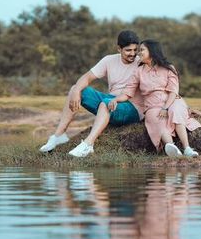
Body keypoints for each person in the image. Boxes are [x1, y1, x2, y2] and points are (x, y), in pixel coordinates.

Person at [39, 30, 145, 158]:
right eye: (128, 50)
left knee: (105, 104)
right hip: (112, 100)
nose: (133, 54)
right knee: (75, 89)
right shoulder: (109, 60)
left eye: (135, 50)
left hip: (132, 108)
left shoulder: (142, 62)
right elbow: (87, 77)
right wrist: (77, 91)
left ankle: (88, 144)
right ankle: (59, 135)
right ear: (119, 49)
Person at [108, 39, 201, 158]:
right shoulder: (139, 71)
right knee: (156, 120)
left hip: (172, 100)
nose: (139, 53)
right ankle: (171, 147)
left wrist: (165, 108)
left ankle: (187, 148)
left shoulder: (168, 68)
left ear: (152, 51)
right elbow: (128, 92)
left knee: (176, 111)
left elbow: (173, 91)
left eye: (142, 50)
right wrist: (115, 99)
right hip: (152, 105)